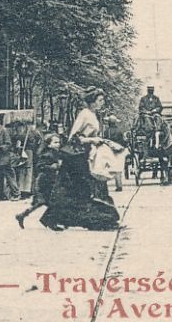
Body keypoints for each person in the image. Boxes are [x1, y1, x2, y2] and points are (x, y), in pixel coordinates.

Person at [41, 93, 122, 231]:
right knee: (81, 189)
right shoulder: (84, 114)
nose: (102, 102)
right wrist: (92, 140)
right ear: (92, 102)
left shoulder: (93, 114)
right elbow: (74, 137)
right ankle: (100, 220)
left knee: (80, 189)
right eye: (100, 100)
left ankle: (103, 220)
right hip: (76, 158)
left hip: (84, 155)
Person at [16, 132, 63, 229]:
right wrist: (52, 167)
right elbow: (40, 166)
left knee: (47, 202)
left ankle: (25, 216)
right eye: (55, 142)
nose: (58, 144)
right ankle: (45, 220)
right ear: (49, 144)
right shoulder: (47, 154)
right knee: (45, 202)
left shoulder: (56, 154)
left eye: (58, 142)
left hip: (49, 181)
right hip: (43, 182)